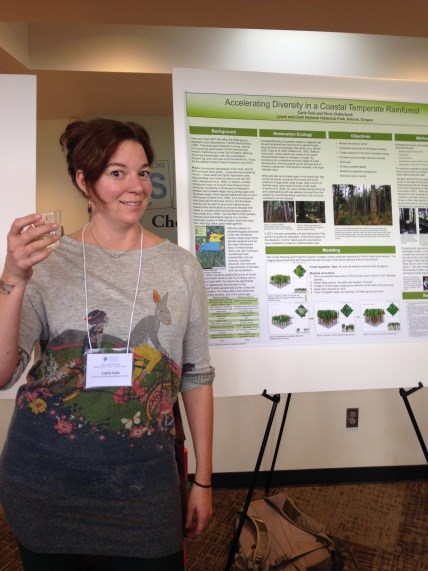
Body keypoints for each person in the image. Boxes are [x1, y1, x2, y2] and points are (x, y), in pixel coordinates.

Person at [0, 118, 214, 570]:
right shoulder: (46, 261)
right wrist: (14, 279)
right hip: (47, 478)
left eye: (143, 172)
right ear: (84, 180)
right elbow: (4, 372)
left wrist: (203, 481)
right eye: (117, 172)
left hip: (143, 485)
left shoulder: (181, 268)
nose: (135, 186)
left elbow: (196, 376)